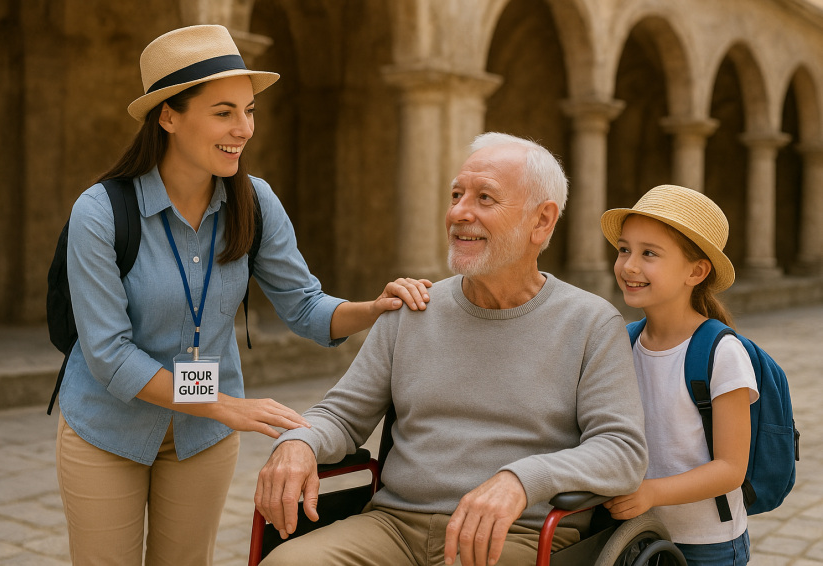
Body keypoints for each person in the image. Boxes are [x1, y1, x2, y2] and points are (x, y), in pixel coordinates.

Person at [55, 24, 431, 566]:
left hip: (200, 437)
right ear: (169, 115)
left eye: (249, 110)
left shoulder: (254, 202)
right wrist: (227, 405)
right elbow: (110, 357)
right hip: (107, 428)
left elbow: (304, 305)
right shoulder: (99, 212)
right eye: (224, 112)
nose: (245, 129)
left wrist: (375, 308)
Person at [255, 132, 649, 566]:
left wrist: (521, 480)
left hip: (516, 535)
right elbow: (340, 416)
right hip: (393, 526)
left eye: (485, 198)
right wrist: (299, 443)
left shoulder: (591, 323)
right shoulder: (411, 309)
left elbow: (621, 451)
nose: (460, 212)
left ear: (542, 221)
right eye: (457, 195)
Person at [599, 185, 758, 566]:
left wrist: (651, 493)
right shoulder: (624, 342)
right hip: (638, 533)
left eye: (649, 253)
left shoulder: (722, 353)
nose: (629, 266)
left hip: (709, 544)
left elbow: (731, 469)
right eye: (624, 250)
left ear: (696, 271)